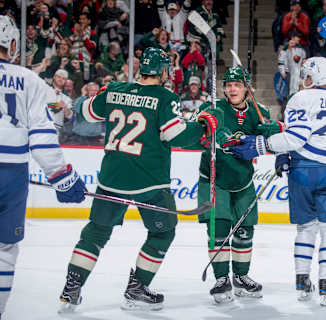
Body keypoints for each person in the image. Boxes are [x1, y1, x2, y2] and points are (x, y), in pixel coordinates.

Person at [57, 47, 224, 313]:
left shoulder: (115, 89)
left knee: (95, 232)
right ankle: (137, 288)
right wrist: (204, 124)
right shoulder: (165, 96)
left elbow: (87, 112)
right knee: (163, 231)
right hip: (150, 182)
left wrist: (108, 94)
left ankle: (72, 286)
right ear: (164, 72)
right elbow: (177, 136)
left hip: (111, 178)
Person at [232, 57, 326, 306]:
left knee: (306, 227)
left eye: (305, 74)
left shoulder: (300, 98)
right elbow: (303, 136)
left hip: (303, 170)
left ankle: (302, 281)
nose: (302, 79)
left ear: (312, 77)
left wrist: (262, 145)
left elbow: (295, 138)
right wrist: (281, 145)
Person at [0, 15, 86, 318]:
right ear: (11, 45)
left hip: (12, 172)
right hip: (11, 175)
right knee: (4, 249)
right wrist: (62, 177)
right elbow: (41, 137)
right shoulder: (28, 79)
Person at [195, 66, 283, 304]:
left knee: (245, 230)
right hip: (215, 179)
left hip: (242, 180)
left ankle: (241, 277)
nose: (232, 89)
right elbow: (201, 120)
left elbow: (275, 134)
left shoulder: (258, 111)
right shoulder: (215, 107)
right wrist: (218, 132)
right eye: (228, 85)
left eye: (237, 85)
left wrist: (271, 131)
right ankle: (222, 279)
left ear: (246, 88)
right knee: (219, 230)